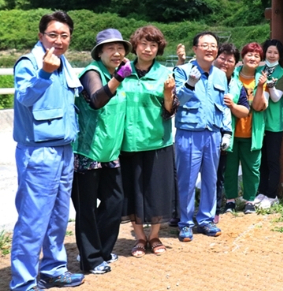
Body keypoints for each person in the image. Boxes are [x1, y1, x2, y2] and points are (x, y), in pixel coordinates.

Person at [10, 11, 85, 291]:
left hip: (64, 151)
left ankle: (53, 269)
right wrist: (44, 73)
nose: (59, 40)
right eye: (52, 34)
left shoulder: (65, 63)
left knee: (57, 217)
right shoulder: (29, 63)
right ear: (41, 36)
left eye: (64, 35)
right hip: (38, 153)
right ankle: (23, 283)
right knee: (32, 220)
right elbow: (25, 97)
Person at [72, 29, 131, 275]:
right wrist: (118, 77)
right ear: (100, 52)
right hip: (88, 152)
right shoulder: (92, 72)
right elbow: (97, 99)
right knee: (86, 208)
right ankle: (91, 259)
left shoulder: (114, 73)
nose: (117, 53)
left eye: (120, 48)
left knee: (115, 203)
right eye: (110, 48)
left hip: (111, 152)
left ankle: (101, 250)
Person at [120, 26, 177, 258]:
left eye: (153, 45)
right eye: (144, 44)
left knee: (157, 191)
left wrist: (167, 94)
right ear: (136, 45)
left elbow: (170, 111)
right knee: (133, 191)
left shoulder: (165, 74)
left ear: (158, 49)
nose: (148, 49)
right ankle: (139, 239)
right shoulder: (122, 71)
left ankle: (154, 236)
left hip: (157, 142)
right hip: (128, 142)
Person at [173, 32, 233, 242]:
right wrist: (190, 83)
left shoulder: (220, 74)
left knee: (210, 179)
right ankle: (185, 223)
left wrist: (227, 132)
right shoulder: (182, 71)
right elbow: (176, 100)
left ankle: (206, 219)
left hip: (213, 134)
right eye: (205, 45)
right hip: (189, 133)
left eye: (213, 46)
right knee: (187, 180)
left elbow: (224, 107)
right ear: (195, 48)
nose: (210, 49)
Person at [223, 42, 268, 214]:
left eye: (257, 56)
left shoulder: (261, 78)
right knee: (230, 168)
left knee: (252, 169)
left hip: (252, 131)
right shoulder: (231, 76)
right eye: (250, 54)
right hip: (232, 131)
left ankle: (250, 200)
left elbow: (258, 107)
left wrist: (261, 87)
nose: (253, 58)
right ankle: (230, 200)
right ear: (242, 57)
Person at [212, 43, 250, 222]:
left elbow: (245, 110)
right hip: (202, 133)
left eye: (230, 60)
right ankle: (182, 215)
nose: (225, 63)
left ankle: (214, 212)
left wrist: (233, 105)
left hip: (224, 136)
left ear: (235, 64)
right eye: (222, 58)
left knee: (219, 174)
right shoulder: (205, 77)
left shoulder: (236, 85)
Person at [255, 39, 283, 209]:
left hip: (274, 124)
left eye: (275, 52)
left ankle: (272, 195)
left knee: (272, 160)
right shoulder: (258, 70)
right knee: (260, 159)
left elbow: (276, 97)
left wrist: (268, 85)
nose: (271, 55)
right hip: (258, 121)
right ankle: (260, 192)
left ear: (280, 55)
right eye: (269, 51)